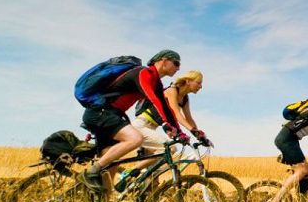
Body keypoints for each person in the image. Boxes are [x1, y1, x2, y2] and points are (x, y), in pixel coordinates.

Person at [81, 49, 187, 192]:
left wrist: (179, 132)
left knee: (111, 166)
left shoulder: (156, 82)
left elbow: (166, 108)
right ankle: (91, 173)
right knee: (135, 138)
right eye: (176, 63)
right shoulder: (143, 73)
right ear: (164, 61)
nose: (178, 68)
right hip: (101, 113)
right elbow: (153, 99)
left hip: (112, 115)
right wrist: (165, 125)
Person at [118, 70, 211, 188]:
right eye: (198, 82)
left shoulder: (185, 98)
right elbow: (176, 114)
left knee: (154, 173)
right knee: (170, 148)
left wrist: (200, 135)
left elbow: (189, 119)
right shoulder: (172, 90)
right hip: (141, 125)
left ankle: (141, 194)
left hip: (151, 128)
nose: (201, 86)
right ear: (188, 81)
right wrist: (191, 131)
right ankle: (129, 172)